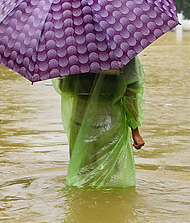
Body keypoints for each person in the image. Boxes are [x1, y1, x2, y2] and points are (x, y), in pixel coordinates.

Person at [53, 56, 145, 188]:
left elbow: (64, 87)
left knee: (83, 173)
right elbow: (130, 94)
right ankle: (109, 205)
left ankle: (83, 206)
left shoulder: (72, 52)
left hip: (80, 121)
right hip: (110, 122)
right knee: (109, 174)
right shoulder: (123, 54)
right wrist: (135, 131)